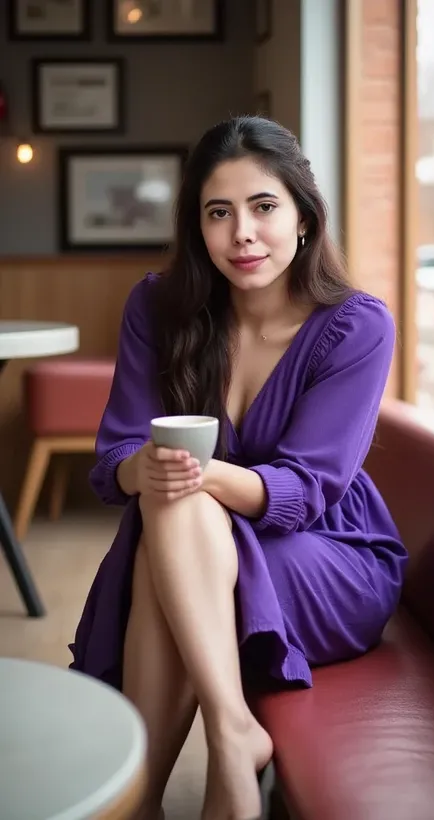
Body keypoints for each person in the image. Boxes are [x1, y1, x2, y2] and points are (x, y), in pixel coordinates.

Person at [69, 116, 408, 820]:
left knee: (174, 534)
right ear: (198, 228)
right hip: (192, 542)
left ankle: (140, 798)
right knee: (177, 523)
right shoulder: (158, 308)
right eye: (218, 213)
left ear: (305, 217)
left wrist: (192, 482)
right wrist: (148, 475)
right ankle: (232, 732)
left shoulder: (357, 325)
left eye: (263, 208)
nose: (242, 234)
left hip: (329, 556)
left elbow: (307, 492)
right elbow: (115, 458)